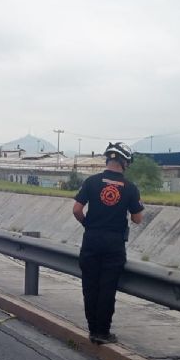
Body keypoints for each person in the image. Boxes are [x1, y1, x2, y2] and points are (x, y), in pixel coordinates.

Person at [72, 142, 144, 344]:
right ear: (125, 162)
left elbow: (77, 210)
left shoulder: (91, 182)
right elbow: (137, 219)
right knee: (107, 288)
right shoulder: (130, 188)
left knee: (90, 287)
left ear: (108, 159)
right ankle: (102, 332)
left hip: (91, 239)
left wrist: (89, 225)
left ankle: (92, 329)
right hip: (114, 243)